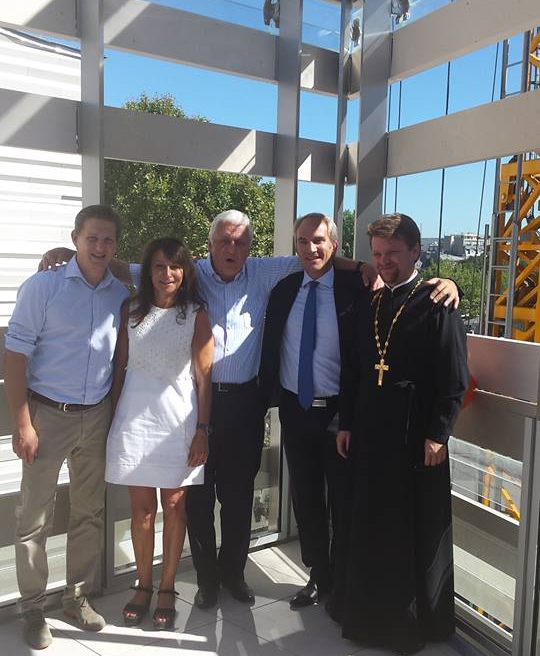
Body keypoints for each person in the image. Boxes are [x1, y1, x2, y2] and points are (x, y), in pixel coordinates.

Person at [40, 209, 458, 611]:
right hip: (192, 405)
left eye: (240, 242)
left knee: (239, 495)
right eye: (223, 240)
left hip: (245, 402)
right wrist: (69, 256)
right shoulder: (188, 271)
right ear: (209, 245)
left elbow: (315, 254)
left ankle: (234, 574)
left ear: (250, 248)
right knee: (198, 499)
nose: (231, 248)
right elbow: (128, 267)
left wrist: (367, 266)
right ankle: (206, 580)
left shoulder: (266, 271)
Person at [333, 213, 469, 656]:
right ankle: (365, 617)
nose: (383, 261)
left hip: (413, 438)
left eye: (392, 253)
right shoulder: (370, 302)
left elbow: (454, 377)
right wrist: (347, 422)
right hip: (371, 435)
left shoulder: (437, 303)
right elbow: (353, 371)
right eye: (376, 254)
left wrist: (439, 434)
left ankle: (407, 626)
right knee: (369, 526)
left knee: (408, 531)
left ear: (415, 252)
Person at [4, 205, 128, 649]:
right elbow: (14, 356)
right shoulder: (44, 286)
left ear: (115, 246)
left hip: (95, 416)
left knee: (89, 511)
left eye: (108, 240)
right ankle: (34, 607)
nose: (99, 246)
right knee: (33, 517)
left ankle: (76, 596)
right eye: (91, 237)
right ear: (75, 238)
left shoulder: (120, 291)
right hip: (46, 415)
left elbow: (163, 269)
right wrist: (22, 424)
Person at [259, 213, 369, 607]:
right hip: (296, 409)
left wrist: (450, 282)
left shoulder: (355, 288)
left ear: (334, 245)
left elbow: (400, 287)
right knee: (305, 500)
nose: (311, 249)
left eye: (319, 240)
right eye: (303, 241)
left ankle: (344, 580)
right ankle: (318, 576)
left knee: (343, 500)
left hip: (339, 417)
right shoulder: (285, 289)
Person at [106, 238, 213, 629]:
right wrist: (113, 422)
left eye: (175, 266)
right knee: (142, 511)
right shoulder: (130, 309)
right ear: (147, 271)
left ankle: (167, 587)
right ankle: (144, 584)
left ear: (185, 271)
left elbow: (204, 380)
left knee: (173, 506)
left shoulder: (196, 312)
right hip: (133, 421)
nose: (167, 274)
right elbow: (120, 368)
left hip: (177, 423)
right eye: (158, 266)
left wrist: (202, 431)